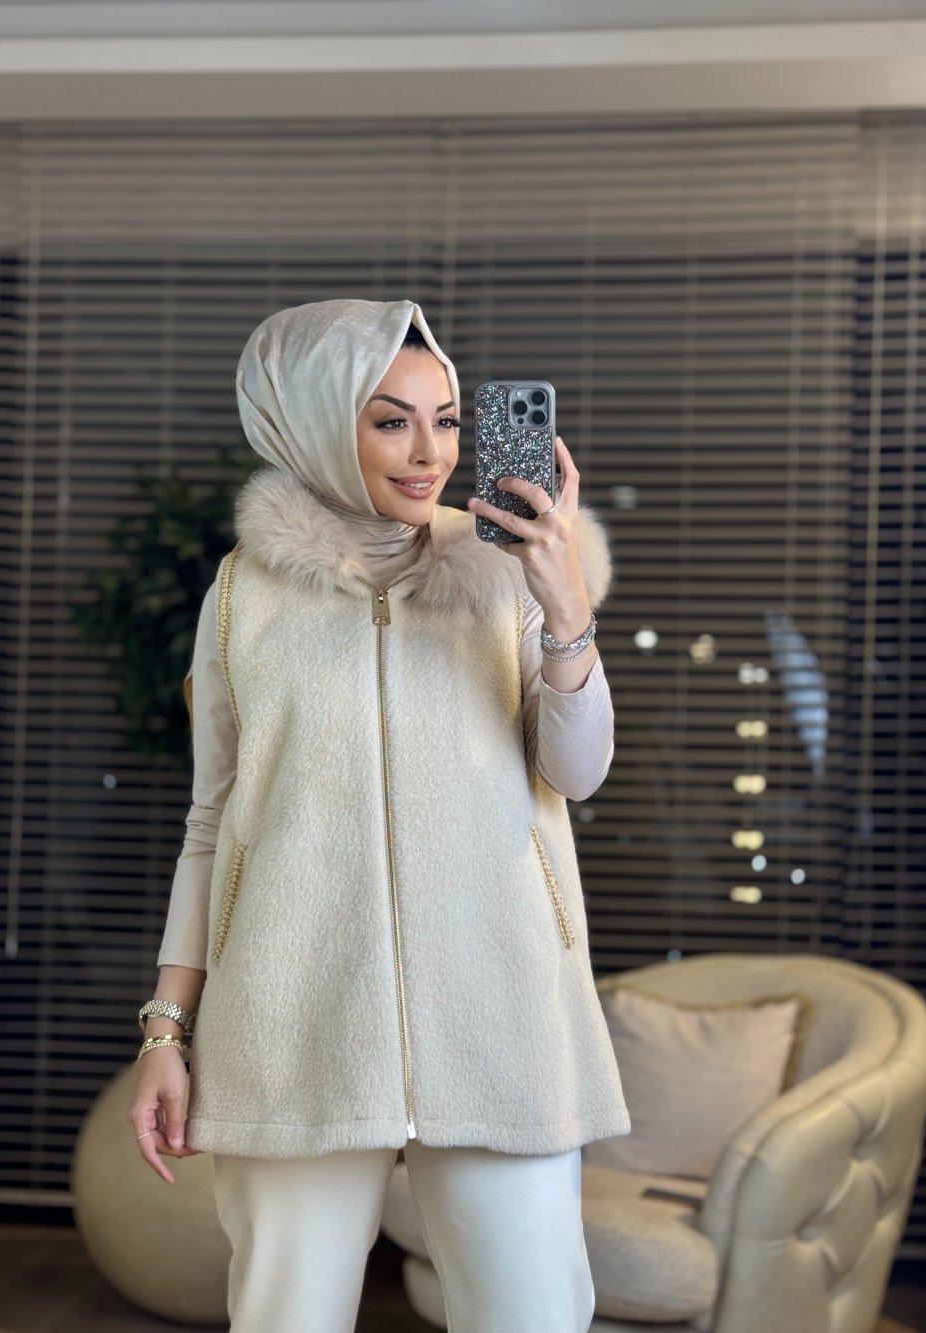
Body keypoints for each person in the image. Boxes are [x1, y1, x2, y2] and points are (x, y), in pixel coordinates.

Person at [129, 297, 630, 1333]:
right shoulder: (242, 599)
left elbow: (576, 773)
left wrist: (564, 608)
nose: (431, 452)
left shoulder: (511, 574)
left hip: (503, 1007)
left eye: (445, 419)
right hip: (290, 1016)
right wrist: (166, 1031)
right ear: (314, 422)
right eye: (391, 420)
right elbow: (212, 823)